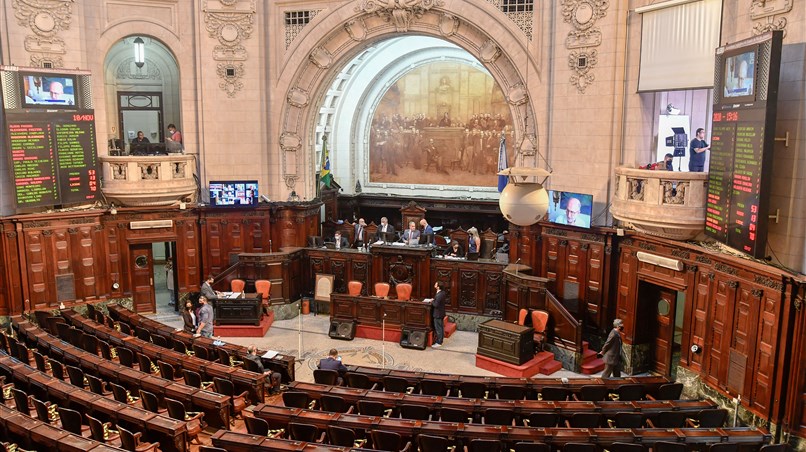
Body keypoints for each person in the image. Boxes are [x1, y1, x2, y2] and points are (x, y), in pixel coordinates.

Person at [431, 282, 447, 347]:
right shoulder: (442, 293)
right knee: (441, 328)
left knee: (438, 329)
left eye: (435, 284)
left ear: (438, 286)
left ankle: (438, 342)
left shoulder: (439, 295)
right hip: (441, 313)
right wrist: (434, 300)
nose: (434, 285)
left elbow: (436, 305)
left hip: (438, 314)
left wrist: (432, 301)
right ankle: (440, 340)